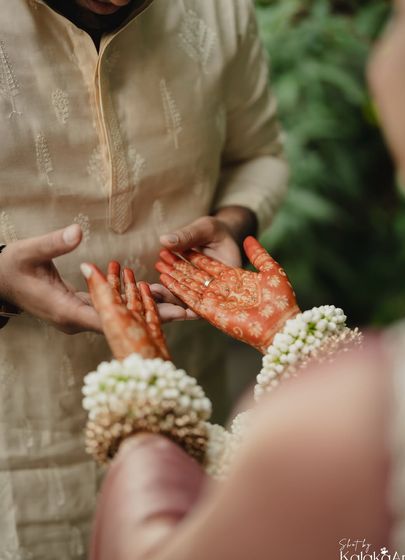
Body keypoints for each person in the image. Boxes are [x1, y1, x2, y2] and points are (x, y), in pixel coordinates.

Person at [83, 0, 405, 557]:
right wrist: (295, 338)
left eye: (403, 22)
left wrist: (146, 399)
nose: (378, 63)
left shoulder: (367, 418)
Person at [0, 0, 287, 557]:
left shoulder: (219, 11)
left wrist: (233, 221)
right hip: (18, 443)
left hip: (191, 409)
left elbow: (261, 155)